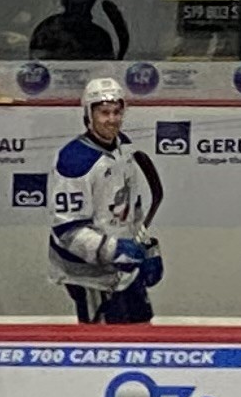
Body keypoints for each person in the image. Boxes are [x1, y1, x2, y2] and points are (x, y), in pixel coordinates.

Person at [46, 75, 160, 321]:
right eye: (104, 113)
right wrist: (115, 249)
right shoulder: (74, 160)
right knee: (103, 344)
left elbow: (132, 207)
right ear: (89, 114)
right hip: (88, 274)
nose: (112, 120)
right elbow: (67, 230)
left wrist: (146, 246)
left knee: (142, 331)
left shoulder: (124, 147)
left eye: (117, 112)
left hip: (123, 266)